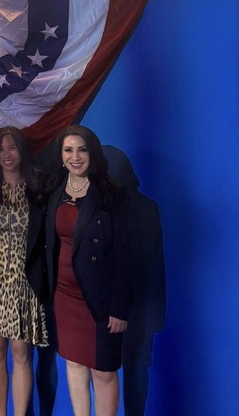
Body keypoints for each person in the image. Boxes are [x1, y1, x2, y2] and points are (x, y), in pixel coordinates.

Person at [44, 125, 133, 416]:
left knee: (104, 372)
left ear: (92, 153)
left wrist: (119, 307)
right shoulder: (54, 191)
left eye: (82, 149)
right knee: (73, 363)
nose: (75, 156)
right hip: (64, 297)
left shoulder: (111, 194)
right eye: (68, 150)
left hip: (101, 300)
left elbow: (125, 253)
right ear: (61, 155)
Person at [0, 126, 49, 416]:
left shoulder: (39, 188)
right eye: (1, 149)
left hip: (24, 284)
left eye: (12, 148)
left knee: (21, 355)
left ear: (22, 151)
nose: (7, 155)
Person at [102, 145, 166, 416]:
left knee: (126, 372)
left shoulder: (138, 208)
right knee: (128, 373)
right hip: (131, 308)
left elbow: (154, 263)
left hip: (133, 308)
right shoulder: (145, 207)